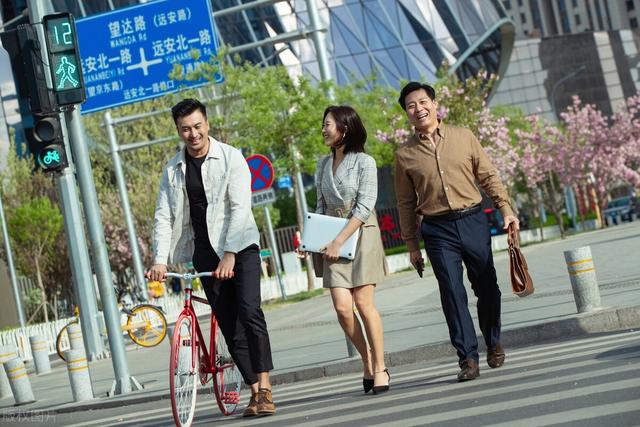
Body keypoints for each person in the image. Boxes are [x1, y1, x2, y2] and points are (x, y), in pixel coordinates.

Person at [148, 98, 276, 417]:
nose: (193, 134)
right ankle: (254, 391)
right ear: (178, 131)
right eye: (185, 129)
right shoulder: (173, 170)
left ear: (207, 124)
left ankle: (266, 387)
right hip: (204, 255)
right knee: (230, 325)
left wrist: (231, 253)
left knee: (249, 311)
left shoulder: (230, 157)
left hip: (240, 248)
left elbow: (239, 208)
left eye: (197, 126)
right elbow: (163, 216)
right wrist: (160, 259)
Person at [394, 82, 519, 382]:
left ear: (435, 105)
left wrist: (506, 210)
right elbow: (405, 203)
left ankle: (493, 339)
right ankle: (468, 358)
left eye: (423, 102)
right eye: (411, 106)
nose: (419, 109)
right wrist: (412, 245)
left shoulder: (464, 137)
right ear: (407, 115)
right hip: (437, 230)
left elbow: (488, 175)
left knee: (486, 285)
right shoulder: (404, 156)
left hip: (473, 219)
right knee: (451, 292)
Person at [299, 105, 390, 394]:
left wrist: (340, 239)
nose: (324, 129)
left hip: (361, 236)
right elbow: (321, 206)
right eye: (323, 124)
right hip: (331, 242)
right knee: (342, 308)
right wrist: (309, 242)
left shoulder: (365, 162)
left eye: (328, 124)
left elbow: (365, 207)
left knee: (364, 304)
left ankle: (380, 368)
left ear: (345, 128)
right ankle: (367, 360)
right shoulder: (322, 165)